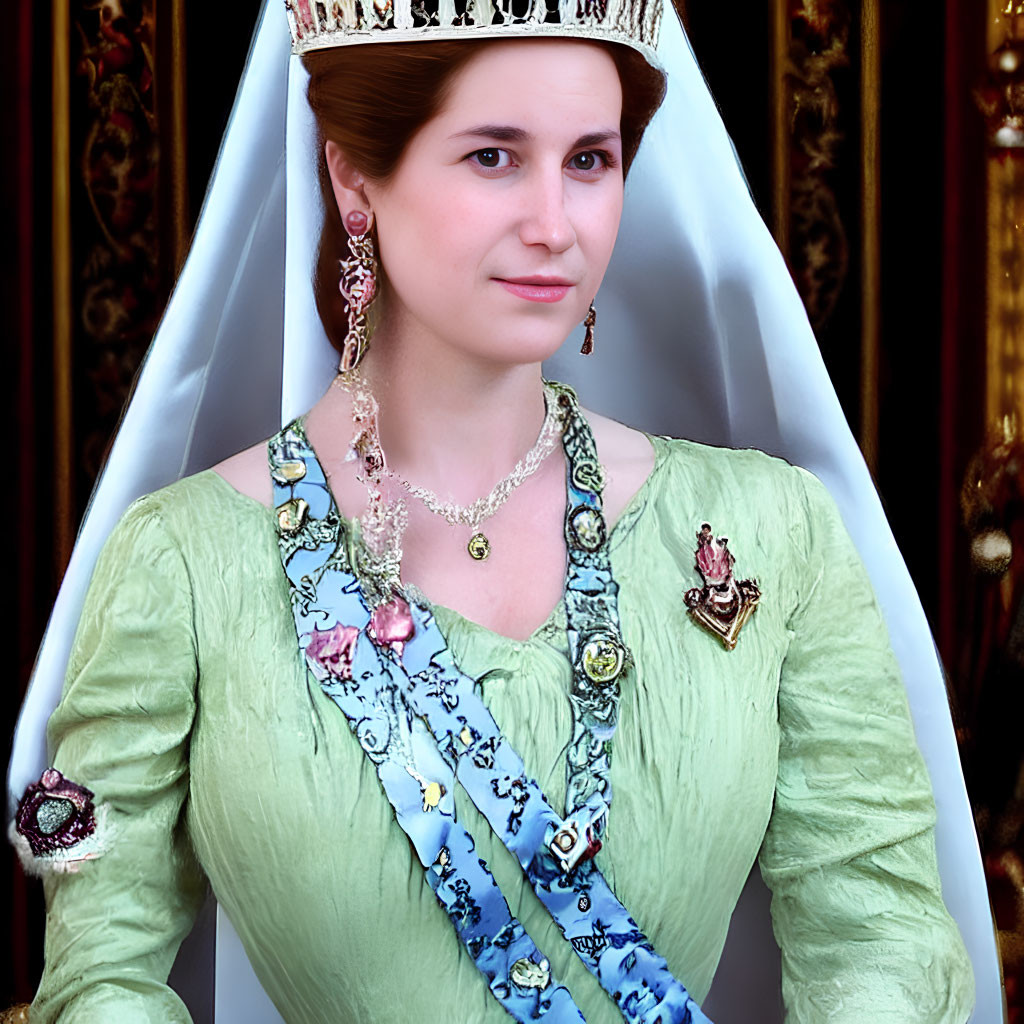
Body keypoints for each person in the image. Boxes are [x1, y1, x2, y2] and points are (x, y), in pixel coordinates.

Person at [5, 1, 995, 1021]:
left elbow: (881, 932)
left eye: (589, 160)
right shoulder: (182, 562)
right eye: (492, 157)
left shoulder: (770, 530)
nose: (554, 225)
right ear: (355, 180)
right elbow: (100, 977)